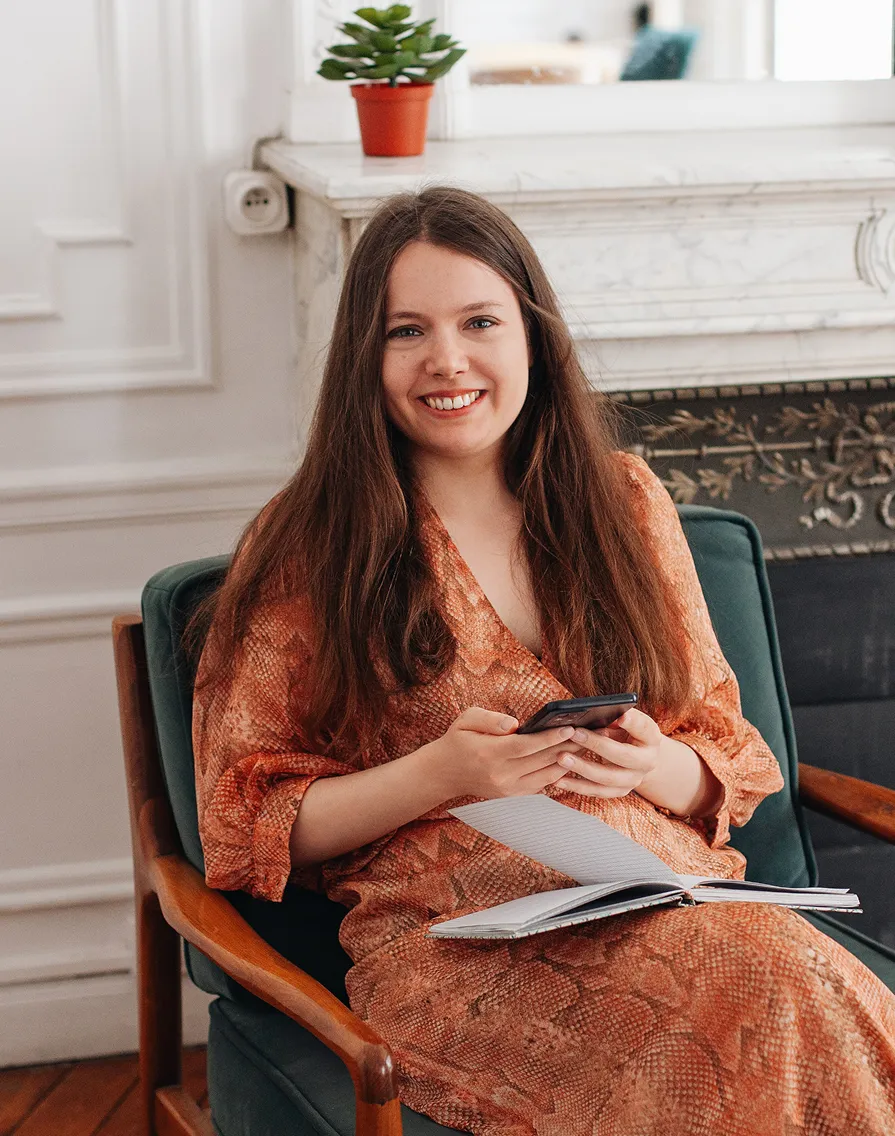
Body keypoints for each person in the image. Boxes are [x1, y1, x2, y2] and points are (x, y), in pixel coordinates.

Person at [191, 186, 895, 1135]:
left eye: (479, 320)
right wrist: (439, 773)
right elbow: (244, 819)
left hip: (668, 903)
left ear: (530, 334)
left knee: (778, 973)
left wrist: (654, 765)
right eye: (406, 331)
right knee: (773, 983)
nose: (447, 360)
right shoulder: (312, 542)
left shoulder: (622, 501)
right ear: (366, 355)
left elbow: (722, 752)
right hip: (464, 950)